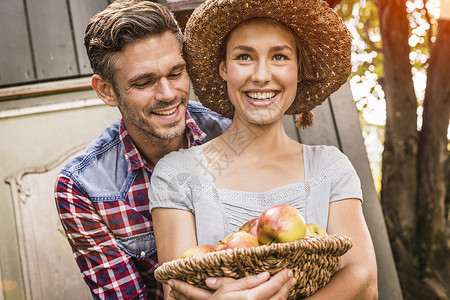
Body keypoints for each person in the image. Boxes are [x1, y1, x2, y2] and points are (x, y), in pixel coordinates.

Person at [54, 1, 297, 299]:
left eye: (175, 73)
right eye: (144, 82)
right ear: (106, 90)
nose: (168, 94)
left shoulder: (234, 134)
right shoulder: (83, 187)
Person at [149, 0, 378, 299]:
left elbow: (365, 283)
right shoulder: (177, 175)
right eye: (244, 56)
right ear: (224, 69)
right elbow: (176, 290)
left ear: (298, 71)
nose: (261, 75)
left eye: (279, 57)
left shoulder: (329, 168)